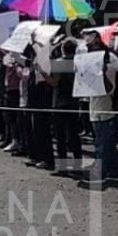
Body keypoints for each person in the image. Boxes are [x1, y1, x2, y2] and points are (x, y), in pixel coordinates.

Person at [85, 39, 118, 185]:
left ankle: (100, 174)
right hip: (95, 109)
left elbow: (109, 89)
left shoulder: (108, 66)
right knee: (107, 144)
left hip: (105, 109)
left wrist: (100, 73)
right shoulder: (93, 67)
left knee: (101, 144)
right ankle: (115, 171)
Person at [46, 39, 81, 175]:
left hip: (60, 102)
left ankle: (62, 167)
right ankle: (77, 167)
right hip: (74, 101)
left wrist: (43, 73)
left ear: (63, 49)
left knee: (60, 136)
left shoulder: (60, 63)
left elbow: (55, 82)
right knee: (74, 135)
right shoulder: (78, 62)